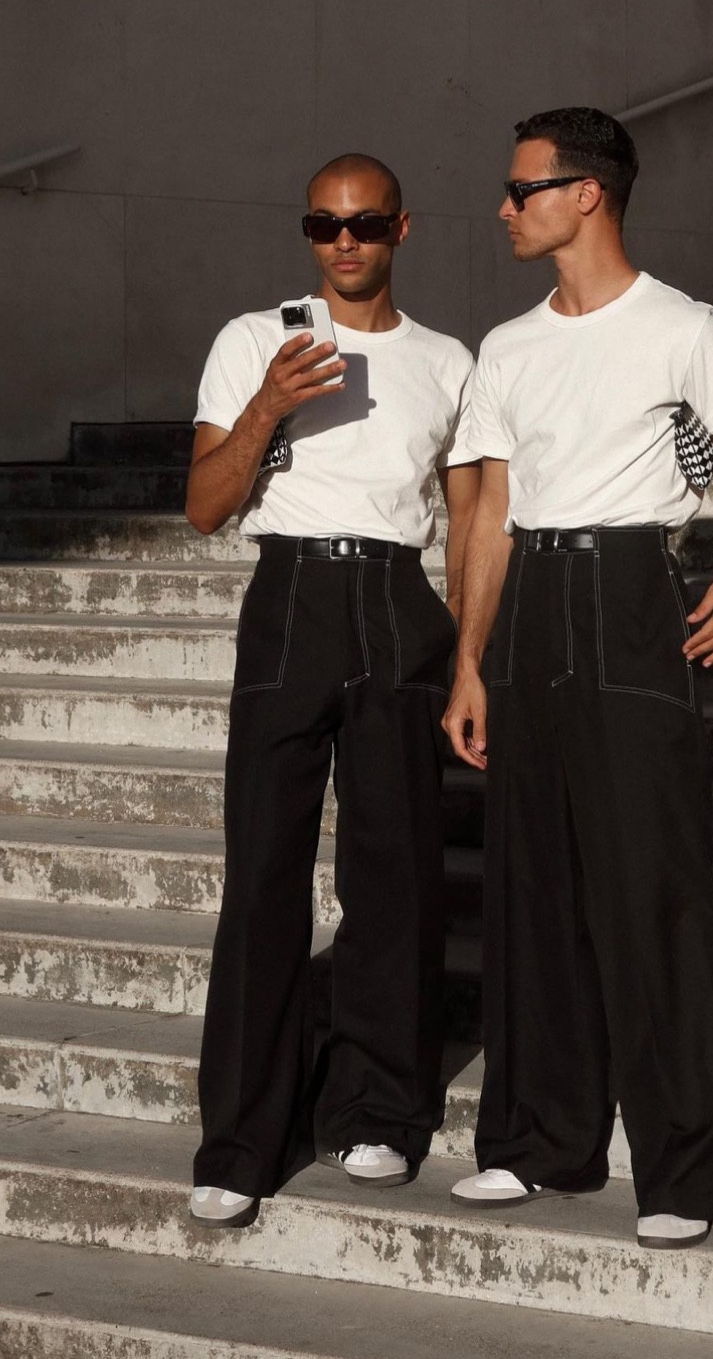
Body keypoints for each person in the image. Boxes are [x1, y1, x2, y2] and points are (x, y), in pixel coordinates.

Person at [443, 108, 713, 1249]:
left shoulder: (681, 327)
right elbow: (488, 510)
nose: (504, 207)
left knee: (651, 888)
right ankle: (541, 1139)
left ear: (585, 192)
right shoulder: (507, 346)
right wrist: (470, 662)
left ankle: (679, 1168)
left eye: (520, 187)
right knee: (534, 885)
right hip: (532, 600)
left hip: (635, 597)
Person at [186, 153, 481, 1228]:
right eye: (324, 224)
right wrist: (269, 403)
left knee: (394, 868)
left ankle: (379, 1109)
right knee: (263, 869)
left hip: (399, 598)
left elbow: (469, 523)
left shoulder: (450, 361)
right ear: (308, 232)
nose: (343, 242)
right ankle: (240, 1135)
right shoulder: (252, 339)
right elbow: (206, 505)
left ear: (402, 228)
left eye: (363, 224)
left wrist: (470, 658)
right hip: (292, 596)